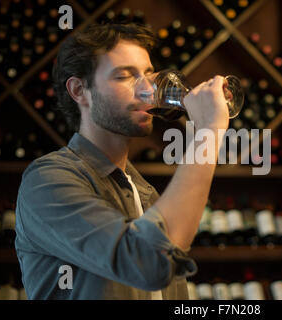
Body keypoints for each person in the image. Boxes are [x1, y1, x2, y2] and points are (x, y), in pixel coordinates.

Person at [14, 23, 229, 299]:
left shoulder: (145, 192)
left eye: (149, 74)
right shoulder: (48, 181)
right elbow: (148, 263)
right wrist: (208, 131)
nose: (147, 90)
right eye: (124, 77)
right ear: (79, 90)